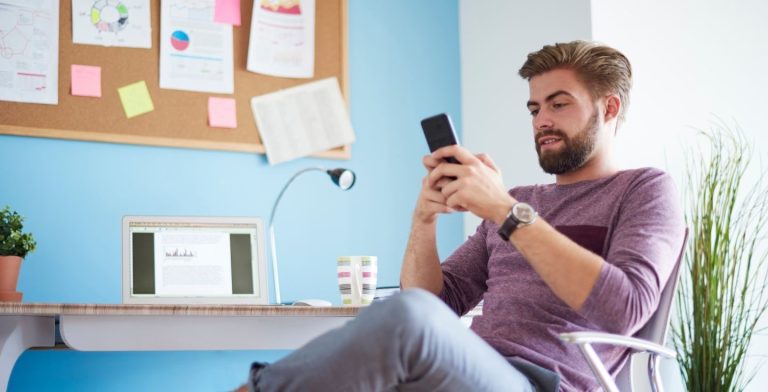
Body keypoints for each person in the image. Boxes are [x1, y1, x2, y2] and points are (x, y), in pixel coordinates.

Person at [236, 40, 686, 392]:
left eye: (559, 103)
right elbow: (436, 301)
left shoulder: (643, 189)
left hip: (545, 382)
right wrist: (424, 219)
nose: (541, 120)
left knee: (402, 320)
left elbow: (625, 309)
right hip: (467, 367)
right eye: (534, 108)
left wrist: (506, 212)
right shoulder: (518, 199)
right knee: (388, 328)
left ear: (609, 108)